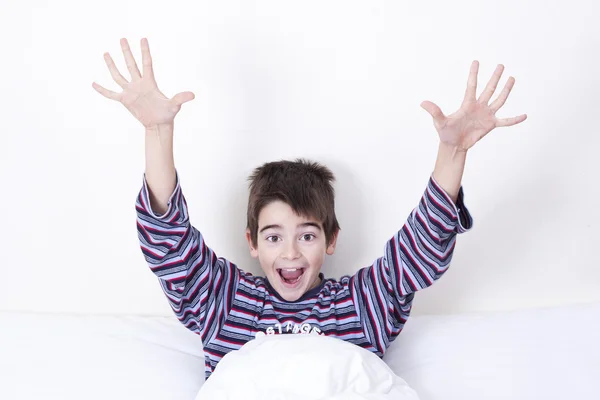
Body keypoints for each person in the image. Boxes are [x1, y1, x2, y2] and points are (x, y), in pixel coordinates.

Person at [92, 37, 527, 380]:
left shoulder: (360, 304)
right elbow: (170, 246)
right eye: (274, 236)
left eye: (307, 234)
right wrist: (156, 132)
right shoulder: (224, 298)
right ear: (253, 243)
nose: (291, 253)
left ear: (331, 239)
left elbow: (415, 255)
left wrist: (451, 154)